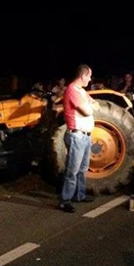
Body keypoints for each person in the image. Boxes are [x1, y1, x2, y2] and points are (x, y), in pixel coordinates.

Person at [58, 64, 97, 213]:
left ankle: (79, 195)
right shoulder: (72, 90)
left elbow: (94, 104)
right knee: (72, 170)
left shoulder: (81, 91)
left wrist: (90, 105)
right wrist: (90, 106)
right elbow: (88, 110)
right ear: (83, 75)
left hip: (85, 136)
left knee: (82, 168)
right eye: (89, 75)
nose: (90, 78)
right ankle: (65, 200)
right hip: (77, 135)